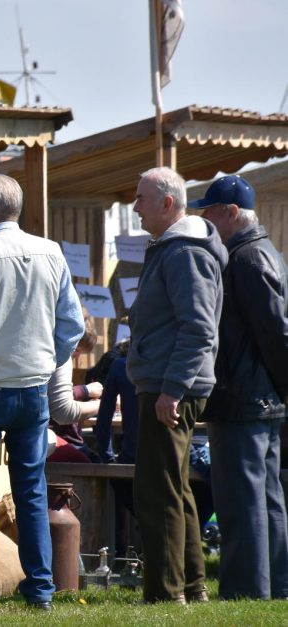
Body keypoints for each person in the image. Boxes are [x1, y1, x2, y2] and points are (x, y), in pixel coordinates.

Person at [0, 173, 84, 612]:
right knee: (31, 489)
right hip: (32, 388)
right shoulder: (50, 252)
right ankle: (41, 589)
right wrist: (48, 361)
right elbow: (73, 324)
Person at [127, 166, 227, 604]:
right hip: (170, 382)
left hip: (171, 388)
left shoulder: (184, 252)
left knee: (159, 490)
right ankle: (190, 585)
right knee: (175, 487)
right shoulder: (175, 247)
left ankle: (167, 593)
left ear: (167, 203)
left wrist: (172, 389)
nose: (135, 207)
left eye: (141, 199)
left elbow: (199, 328)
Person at [194, 175, 288, 601]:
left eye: (209, 211)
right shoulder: (259, 252)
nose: (204, 219)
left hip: (245, 399)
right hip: (259, 398)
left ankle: (247, 589)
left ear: (230, 213)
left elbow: (276, 333)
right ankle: (274, 584)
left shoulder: (247, 258)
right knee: (266, 499)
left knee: (242, 502)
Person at [47, 310, 102, 463]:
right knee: (91, 462)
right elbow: (57, 402)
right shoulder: (59, 354)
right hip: (52, 434)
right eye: (77, 350)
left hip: (62, 434)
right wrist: (87, 392)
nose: (76, 356)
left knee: (96, 458)